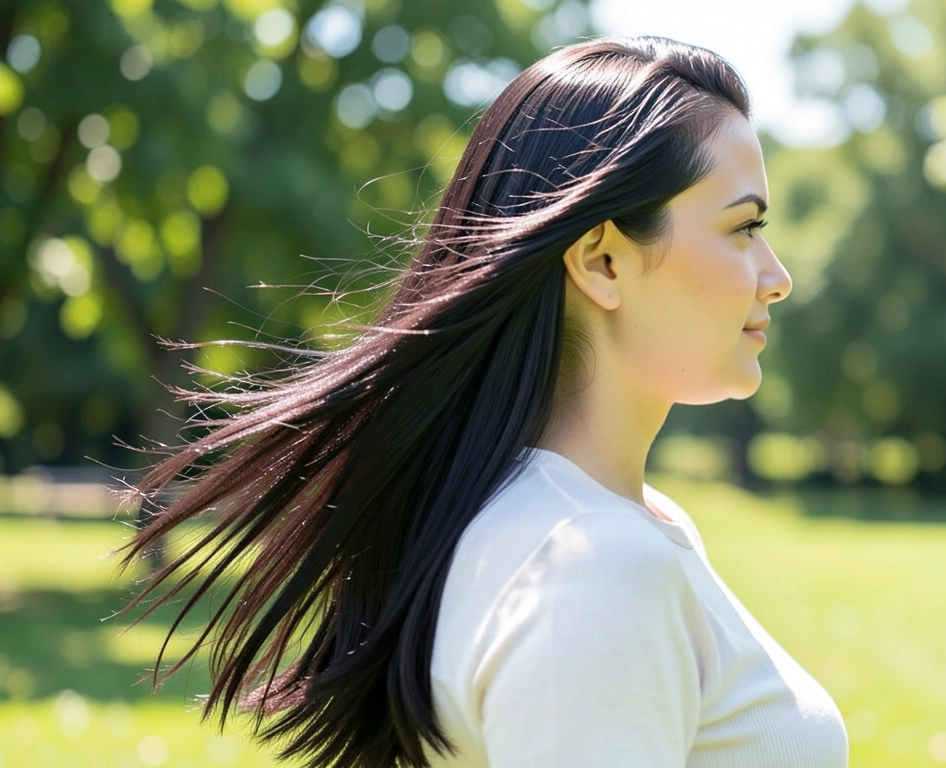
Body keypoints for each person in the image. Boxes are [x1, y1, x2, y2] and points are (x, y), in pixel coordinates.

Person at [114, 35, 847, 768]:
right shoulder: (594, 564)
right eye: (744, 227)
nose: (776, 275)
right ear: (603, 261)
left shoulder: (615, 525)